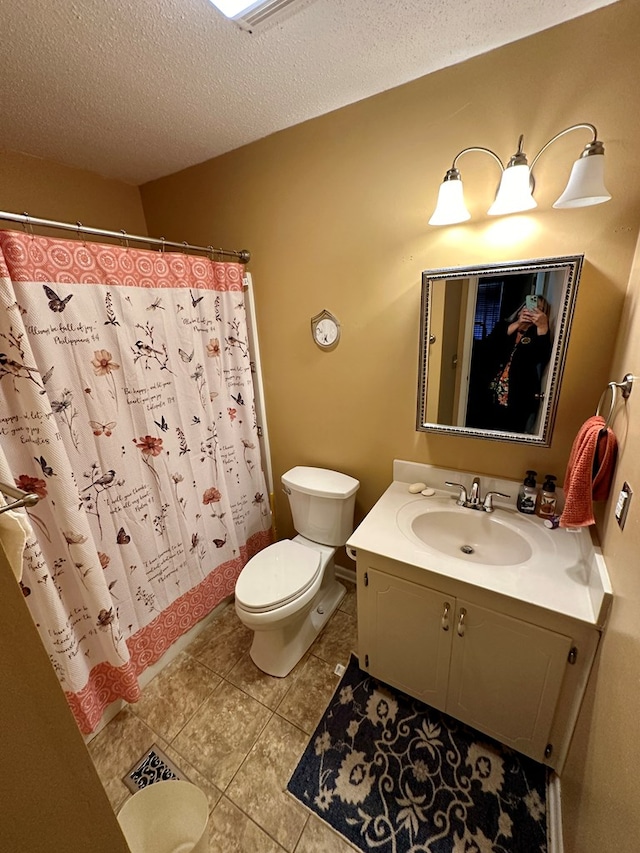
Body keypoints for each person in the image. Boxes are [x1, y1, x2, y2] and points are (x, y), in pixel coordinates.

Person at [481, 296, 552, 433]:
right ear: (521, 310)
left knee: (512, 433)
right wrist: (518, 324)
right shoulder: (504, 327)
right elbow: (488, 347)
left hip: (518, 398)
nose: (532, 311)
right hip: (490, 394)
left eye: (539, 309)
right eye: (530, 306)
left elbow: (542, 357)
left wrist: (543, 327)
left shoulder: (537, 335)